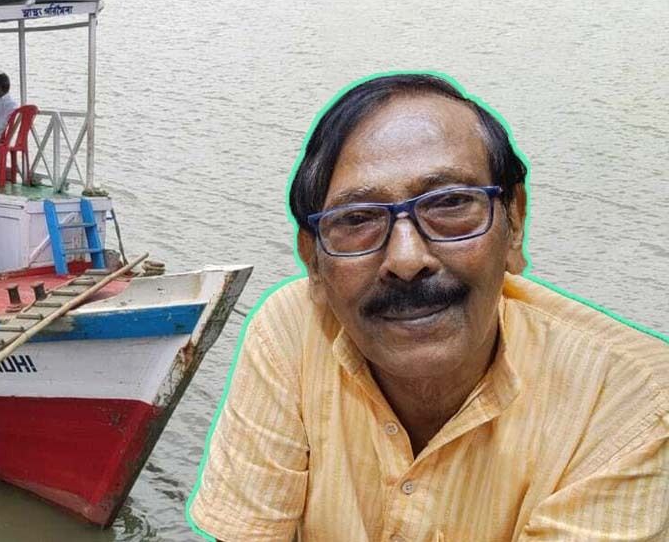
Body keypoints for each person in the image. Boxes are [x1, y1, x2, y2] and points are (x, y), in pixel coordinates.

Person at [189, 73, 668, 540]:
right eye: (357, 219)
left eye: (450, 203)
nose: (406, 259)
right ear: (313, 263)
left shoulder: (631, 399)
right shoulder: (292, 332)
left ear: (514, 224)